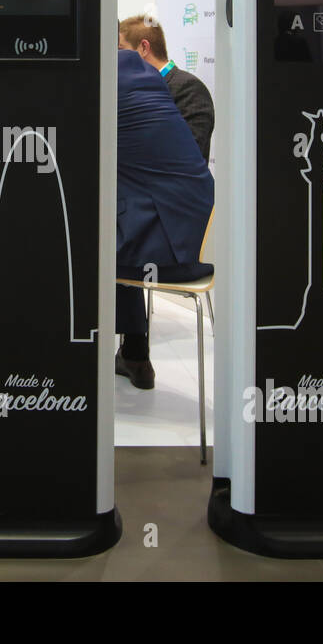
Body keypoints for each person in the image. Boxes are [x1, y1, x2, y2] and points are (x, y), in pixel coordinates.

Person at [115, 48, 214, 389]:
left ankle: (64, 362)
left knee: (78, 243)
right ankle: (135, 354)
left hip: (173, 251)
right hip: (197, 239)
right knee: (107, 224)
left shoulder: (109, 78)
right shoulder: (137, 71)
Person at [118, 15, 214, 160]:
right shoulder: (130, 92)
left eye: (121, 50)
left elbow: (188, 157)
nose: (117, 58)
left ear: (144, 47)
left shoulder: (190, 89)